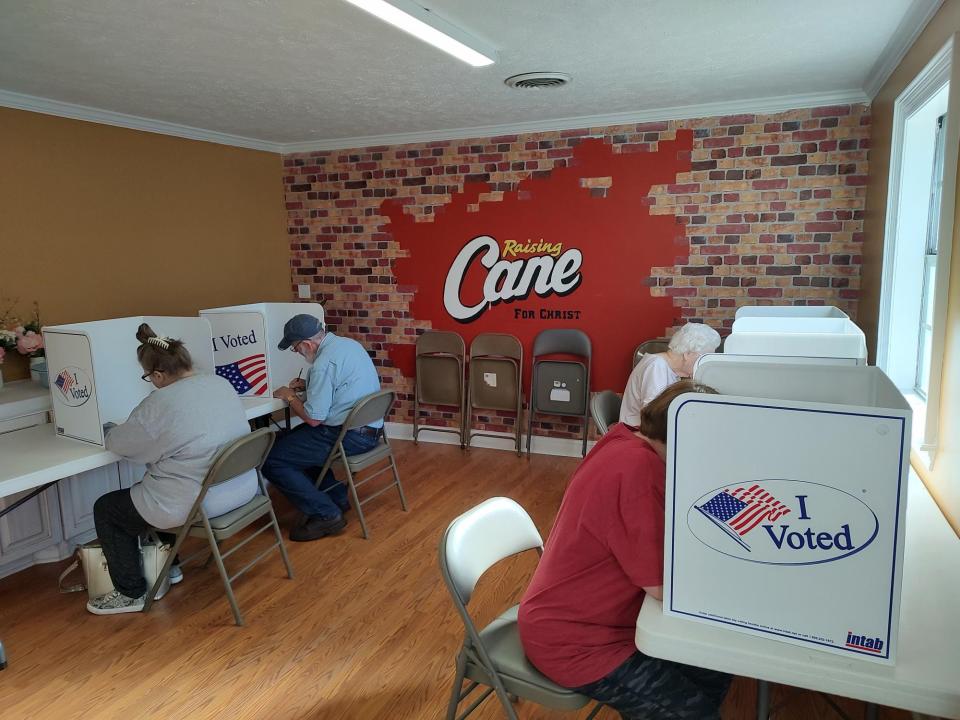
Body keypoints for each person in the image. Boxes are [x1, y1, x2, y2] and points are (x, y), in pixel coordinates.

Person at [518, 380, 731, 720]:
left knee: (715, 667)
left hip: (585, 616)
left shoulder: (624, 438)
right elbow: (663, 588)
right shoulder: (637, 472)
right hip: (577, 641)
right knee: (697, 710)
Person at [90, 324, 258, 615]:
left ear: (157, 374)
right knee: (161, 484)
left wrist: (109, 429)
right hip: (242, 487)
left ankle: (131, 593)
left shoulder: (161, 402)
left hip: (200, 502)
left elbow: (120, 443)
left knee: (108, 508)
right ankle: (170, 567)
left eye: (148, 377)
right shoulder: (219, 384)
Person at [263, 314, 382, 542]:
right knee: (293, 443)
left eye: (295, 348)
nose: (297, 352)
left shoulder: (322, 364)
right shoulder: (349, 345)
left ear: (307, 344)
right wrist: (310, 386)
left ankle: (327, 513)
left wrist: (289, 397)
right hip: (371, 429)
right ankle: (336, 496)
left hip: (349, 436)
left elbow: (314, 419)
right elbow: (341, 384)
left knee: (272, 458)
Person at [619, 322, 721, 427]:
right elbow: (653, 417)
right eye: (703, 358)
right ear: (688, 354)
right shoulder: (656, 366)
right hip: (637, 434)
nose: (703, 364)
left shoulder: (667, 368)